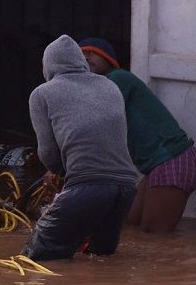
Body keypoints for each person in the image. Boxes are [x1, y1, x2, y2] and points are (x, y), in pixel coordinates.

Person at [22, 35, 139, 261]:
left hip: (87, 186)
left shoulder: (42, 93)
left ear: (48, 65)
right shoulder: (110, 86)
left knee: (35, 257)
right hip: (126, 188)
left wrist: (62, 174)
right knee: (101, 258)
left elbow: (46, 152)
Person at [78, 37, 196, 233]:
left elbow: (95, 121)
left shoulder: (118, 78)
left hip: (173, 160)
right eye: (81, 54)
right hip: (159, 165)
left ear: (109, 58)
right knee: (131, 223)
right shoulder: (101, 89)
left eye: (91, 52)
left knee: (154, 236)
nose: (86, 57)